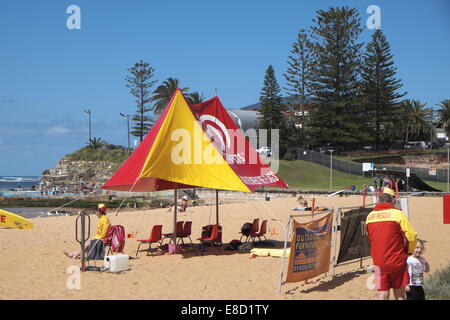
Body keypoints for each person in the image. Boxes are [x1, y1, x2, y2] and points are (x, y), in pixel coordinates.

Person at [365, 187, 417, 300]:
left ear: (379, 200)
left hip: (378, 262)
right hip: (396, 261)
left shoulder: (369, 217)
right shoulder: (398, 214)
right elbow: (412, 237)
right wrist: (409, 251)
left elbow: (369, 238)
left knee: (382, 293)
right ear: (392, 199)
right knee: (399, 295)